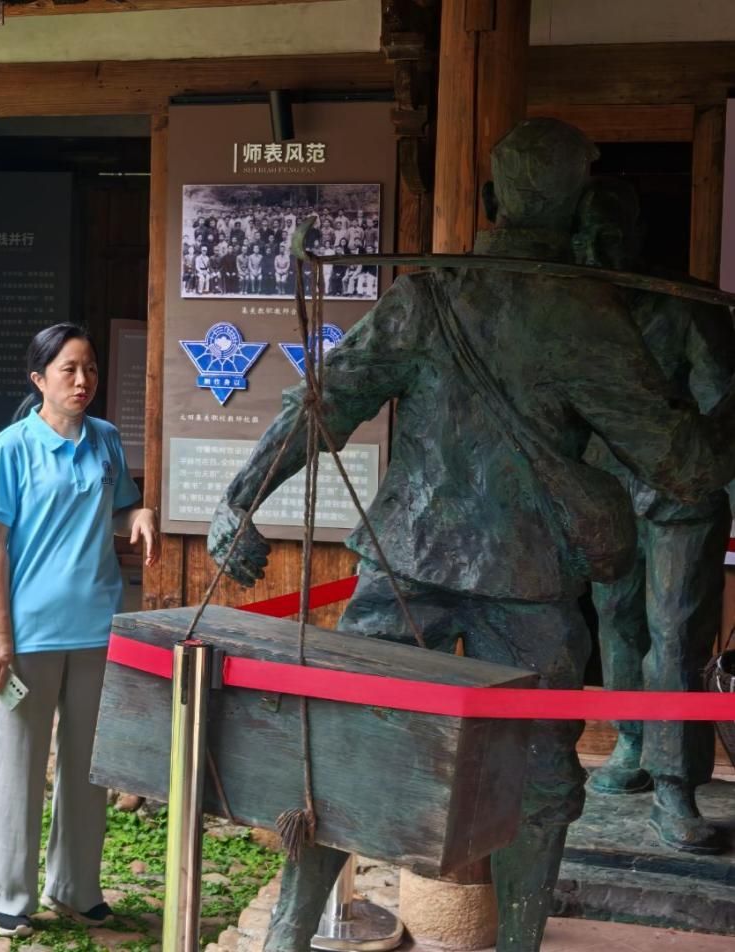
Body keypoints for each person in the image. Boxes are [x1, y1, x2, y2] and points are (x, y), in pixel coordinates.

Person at [207, 119, 735, 952]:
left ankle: (287, 935)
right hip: (525, 583)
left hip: (407, 561)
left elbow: (322, 403)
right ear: (574, 204)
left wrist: (240, 499)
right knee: (538, 777)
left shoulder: (424, 295)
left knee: (343, 753)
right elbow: (688, 468)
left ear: (491, 198)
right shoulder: (584, 318)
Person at [0, 324, 158, 938]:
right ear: (39, 380)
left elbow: (114, 512)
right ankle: (8, 893)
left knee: (88, 767)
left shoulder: (105, 441)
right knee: (18, 766)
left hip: (99, 628)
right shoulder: (12, 447)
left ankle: (77, 887)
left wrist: (141, 515)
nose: (83, 382)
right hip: (29, 635)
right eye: (69, 370)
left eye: (90, 370)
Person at [575, 178, 735, 853]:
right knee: (615, 620)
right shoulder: (574, 312)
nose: (601, 247)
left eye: (614, 231)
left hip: (678, 499)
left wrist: (683, 466)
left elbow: (724, 401)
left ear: (636, 234)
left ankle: (675, 786)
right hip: (604, 494)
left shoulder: (685, 307)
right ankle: (632, 745)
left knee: (671, 633)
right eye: (589, 235)